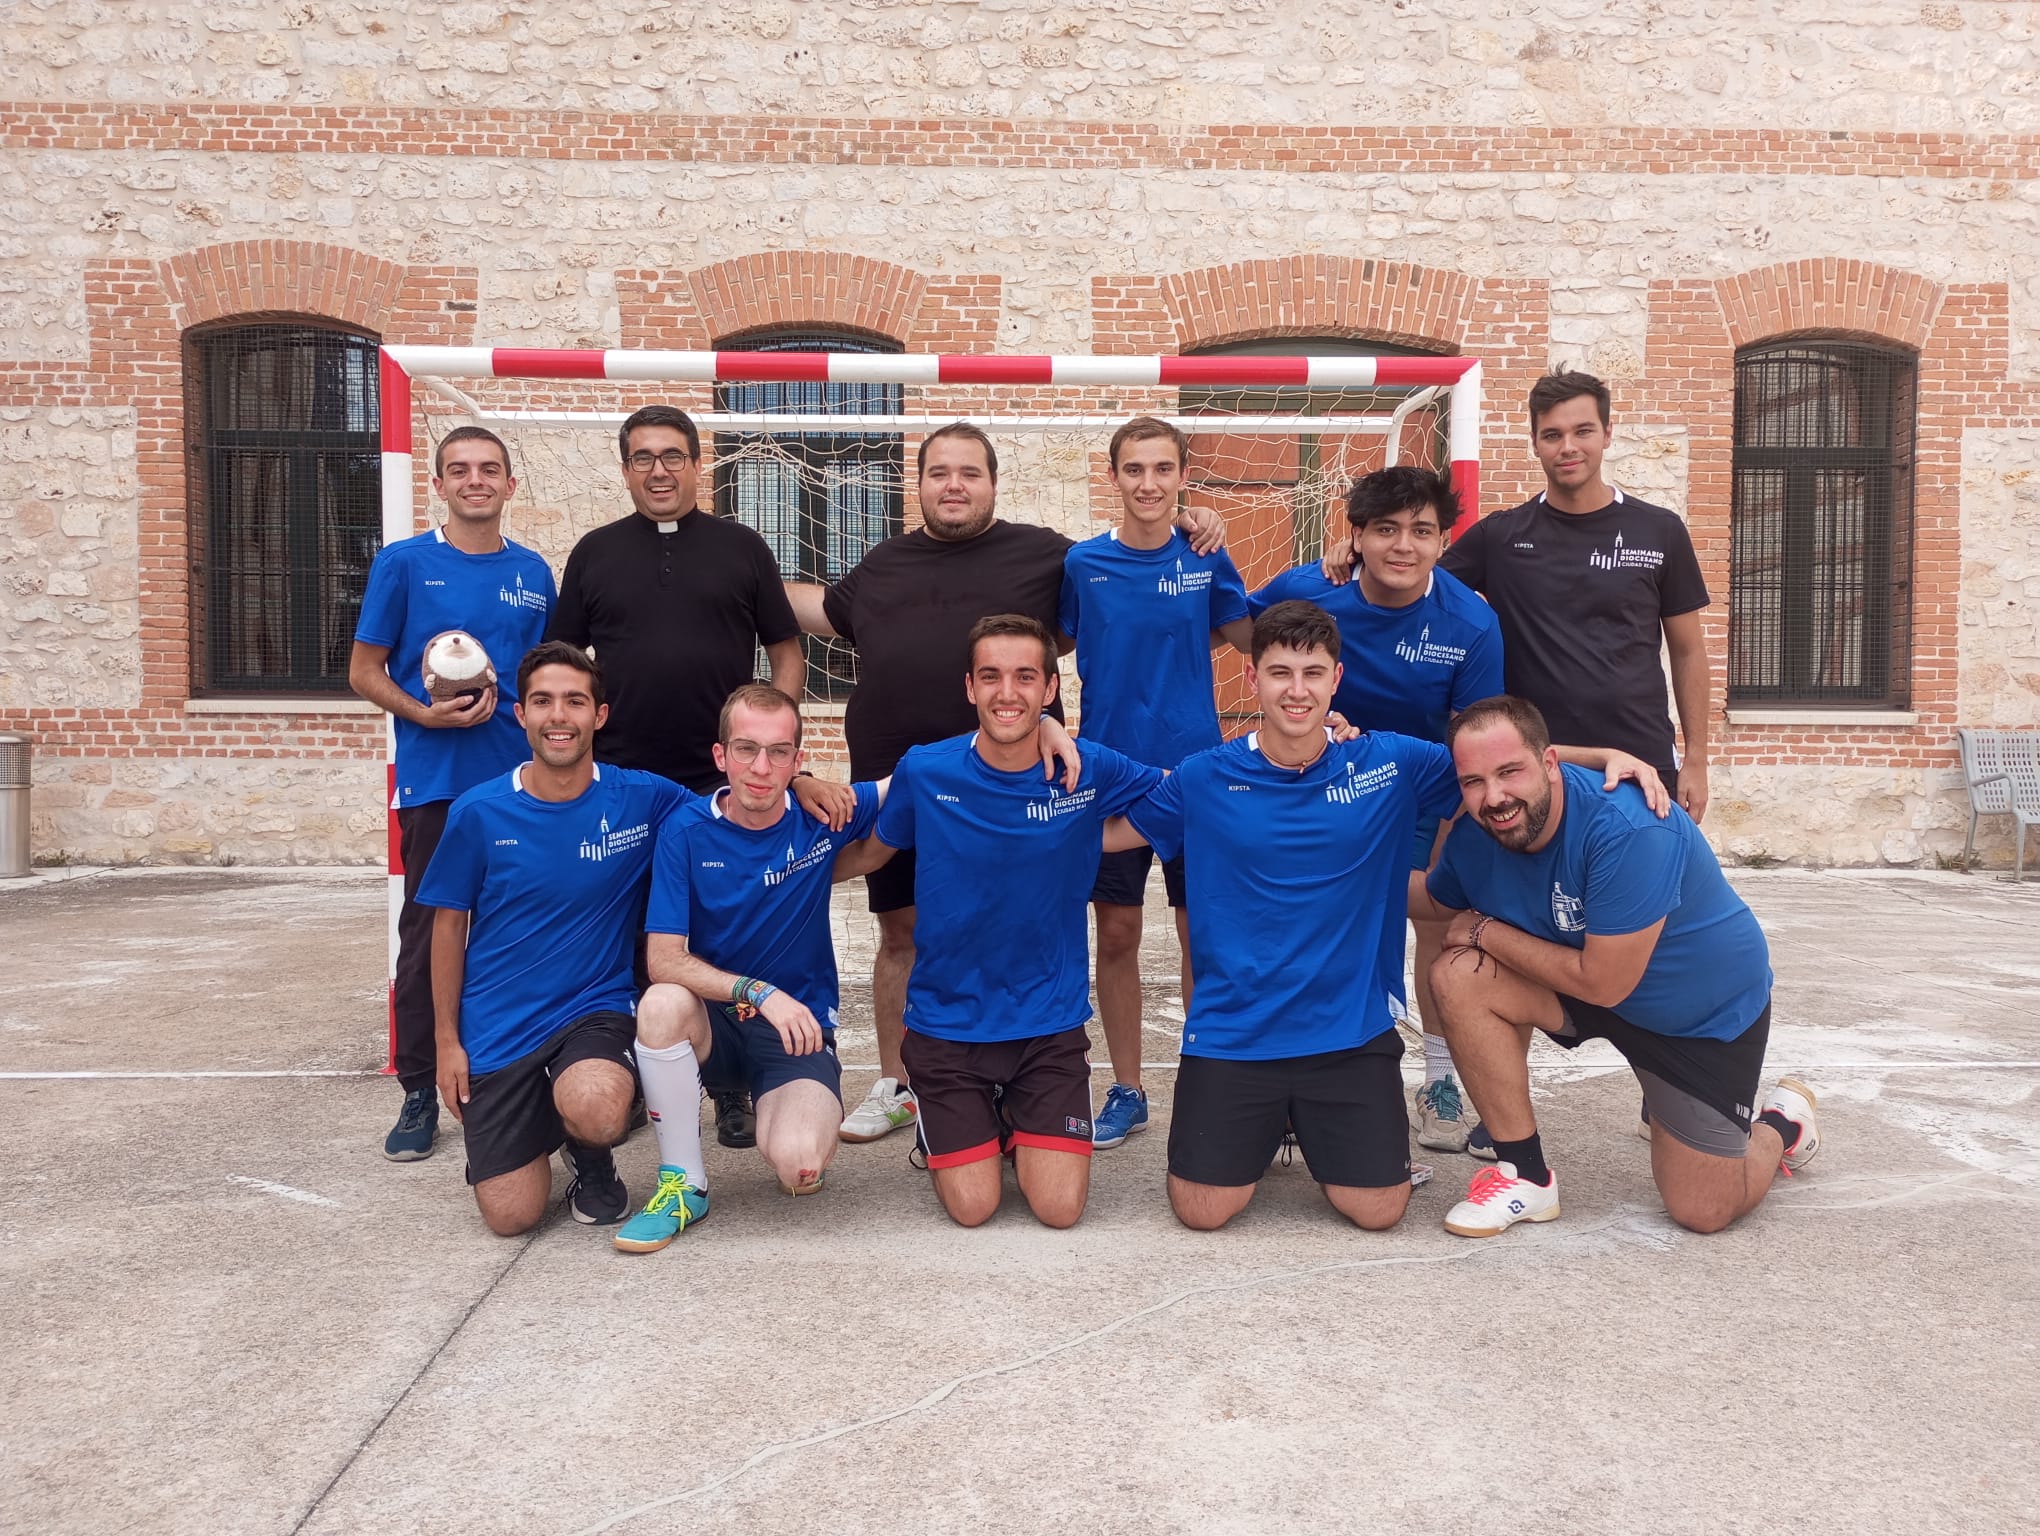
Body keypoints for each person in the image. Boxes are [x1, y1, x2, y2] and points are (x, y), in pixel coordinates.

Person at [783, 422, 1221, 1145]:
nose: (953, 485)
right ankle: (899, 1084)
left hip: (1010, 774)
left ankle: (1016, 1074)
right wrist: (734, 571)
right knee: (901, 932)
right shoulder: (883, 562)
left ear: (992, 482)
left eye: (969, 473)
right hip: (903, 773)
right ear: (916, 484)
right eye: (939, 473)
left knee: (1013, 921)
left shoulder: (1046, 555)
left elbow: (1134, 559)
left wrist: (1189, 517)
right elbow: (818, 612)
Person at [1106, 600, 1462, 1232]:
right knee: (1203, 1211)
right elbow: (1109, 834)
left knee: (1377, 1211)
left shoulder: (1389, 763)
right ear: (1253, 679)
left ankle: (1304, 1120)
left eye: (1312, 673)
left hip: (1347, 1031)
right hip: (1235, 1033)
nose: (1297, 691)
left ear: (1336, 679)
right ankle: (1272, 1122)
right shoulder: (1203, 776)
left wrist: (1608, 761)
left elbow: (1500, 771)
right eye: (1279, 673)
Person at [1411, 695, 1820, 1239]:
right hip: (1582, 983)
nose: (1495, 797)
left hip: (1697, 1015)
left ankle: (1779, 1123)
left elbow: (1605, 982)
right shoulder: (1477, 833)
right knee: (1457, 975)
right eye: (1474, 782)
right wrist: (1319, 873)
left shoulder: (1630, 827)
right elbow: (1435, 902)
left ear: (1550, 764)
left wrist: (1486, 930)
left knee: (1703, 1210)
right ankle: (1523, 1176)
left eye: (1511, 772)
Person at [548, 403, 805, 1152]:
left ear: (698, 464)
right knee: (631, 933)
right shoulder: (595, 552)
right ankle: (630, 1072)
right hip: (623, 782)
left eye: (672, 455)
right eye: (642, 457)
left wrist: (775, 732)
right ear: (625, 468)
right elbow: (565, 664)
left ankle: (728, 1085)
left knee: (722, 932)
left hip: (713, 780)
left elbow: (785, 648)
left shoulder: (742, 546)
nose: (658, 470)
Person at [871, 615, 1163, 1229]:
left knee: (1058, 1210)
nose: (1009, 692)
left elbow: (1185, 791)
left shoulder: (1088, 769)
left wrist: (1318, 745)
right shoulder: (927, 771)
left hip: (1046, 1026)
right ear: (970, 688)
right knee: (974, 1209)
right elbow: (868, 839)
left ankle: (1007, 1124)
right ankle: (959, 1123)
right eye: (992, 677)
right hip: (948, 1027)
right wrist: (799, 787)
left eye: (1026, 677)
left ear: (1050, 690)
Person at [1247, 465, 1503, 1157]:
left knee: (1440, 929)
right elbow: (1237, 634)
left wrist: (1451, 843)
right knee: (1310, 927)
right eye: (1384, 530)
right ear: (1354, 535)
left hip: (1421, 792)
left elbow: (1471, 744)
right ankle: (1292, 1085)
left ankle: (1440, 1082)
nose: (1403, 546)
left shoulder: (1470, 621)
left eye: (1421, 532)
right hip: (1318, 788)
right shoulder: (1311, 589)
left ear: (1443, 541)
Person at [417, 642, 694, 1237]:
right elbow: (445, 929)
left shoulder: (641, 798)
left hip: (592, 1009)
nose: (558, 716)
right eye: (543, 701)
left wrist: (797, 782)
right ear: (521, 715)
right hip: (498, 1026)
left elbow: (730, 813)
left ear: (600, 715)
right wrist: (446, 1043)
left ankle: (589, 1150)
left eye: (574, 701)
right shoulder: (479, 812)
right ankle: (541, 1118)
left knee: (595, 1107)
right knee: (511, 1218)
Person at [617, 685, 895, 1252]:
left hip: (795, 1029)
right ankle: (683, 1185)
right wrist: (756, 990)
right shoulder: (686, 831)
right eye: (745, 749)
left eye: (778, 753)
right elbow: (663, 958)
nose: (760, 767)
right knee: (660, 1002)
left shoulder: (824, 815)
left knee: (799, 1165)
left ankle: (784, 1116)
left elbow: (917, 775)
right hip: (713, 1023)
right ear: (721, 756)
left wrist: (1042, 726)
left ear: (798, 760)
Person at [349, 425, 556, 1163]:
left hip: (518, 783)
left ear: (509, 485)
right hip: (437, 783)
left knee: (521, 929)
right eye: (460, 470)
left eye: (489, 469)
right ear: (437, 485)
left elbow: (543, 678)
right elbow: (364, 670)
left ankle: (524, 1069)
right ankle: (417, 1087)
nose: (476, 480)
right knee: (429, 933)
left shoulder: (534, 573)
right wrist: (421, 712)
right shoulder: (404, 564)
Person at [1058, 416, 1252, 1150]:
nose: (1148, 483)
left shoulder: (1207, 558)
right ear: (1114, 478)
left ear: (1180, 477)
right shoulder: (1082, 564)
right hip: (1111, 777)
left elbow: (1256, 642)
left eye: (1162, 469)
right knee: (1115, 932)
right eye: (1133, 469)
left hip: (1196, 777)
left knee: (1201, 936)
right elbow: (1053, 648)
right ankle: (1129, 1088)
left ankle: (1209, 1077)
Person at [1440, 370, 1713, 824]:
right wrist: (1351, 551)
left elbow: (1688, 651)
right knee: (1534, 896)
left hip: (1639, 761)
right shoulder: (1501, 537)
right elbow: (1412, 581)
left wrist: (1698, 760)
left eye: (1582, 431)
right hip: (1536, 764)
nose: (1568, 446)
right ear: (1535, 443)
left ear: (1607, 434)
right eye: (1552, 435)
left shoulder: (1659, 530)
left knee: (1639, 894)